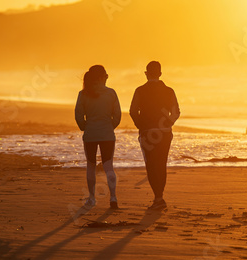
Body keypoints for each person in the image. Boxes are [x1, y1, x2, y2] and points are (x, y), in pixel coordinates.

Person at [130, 61, 180, 210]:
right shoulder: (169, 91)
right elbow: (176, 112)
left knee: (151, 165)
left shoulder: (140, 90)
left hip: (147, 133)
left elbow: (133, 111)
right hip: (164, 133)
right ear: (160, 74)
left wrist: (141, 125)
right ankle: (159, 197)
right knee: (161, 163)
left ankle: (158, 197)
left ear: (146, 74)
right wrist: (167, 125)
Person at [75, 65, 121, 209]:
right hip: (107, 134)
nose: (107, 79)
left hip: (90, 134)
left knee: (91, 165)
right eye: (106, 76)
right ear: (101, 77)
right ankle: (113, 197)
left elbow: (78, 115)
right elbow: (118, 115)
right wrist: (109, 126)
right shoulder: (111, 93)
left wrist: (85, 127)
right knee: (108, 166)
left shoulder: (83, 93)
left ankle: (92, 198)